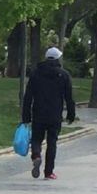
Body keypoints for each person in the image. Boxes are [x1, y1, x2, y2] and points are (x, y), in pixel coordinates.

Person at [23, 47, 76, 180]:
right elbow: (69, 97)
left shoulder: (35, 73)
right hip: (55, 114)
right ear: (58, 58)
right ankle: (48, 172)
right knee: (52, 142)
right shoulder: (63, 75)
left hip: (38, 112)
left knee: (36, 138)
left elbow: (28, 96)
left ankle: (36, 155)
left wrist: (26, 116)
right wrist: (71, 114)